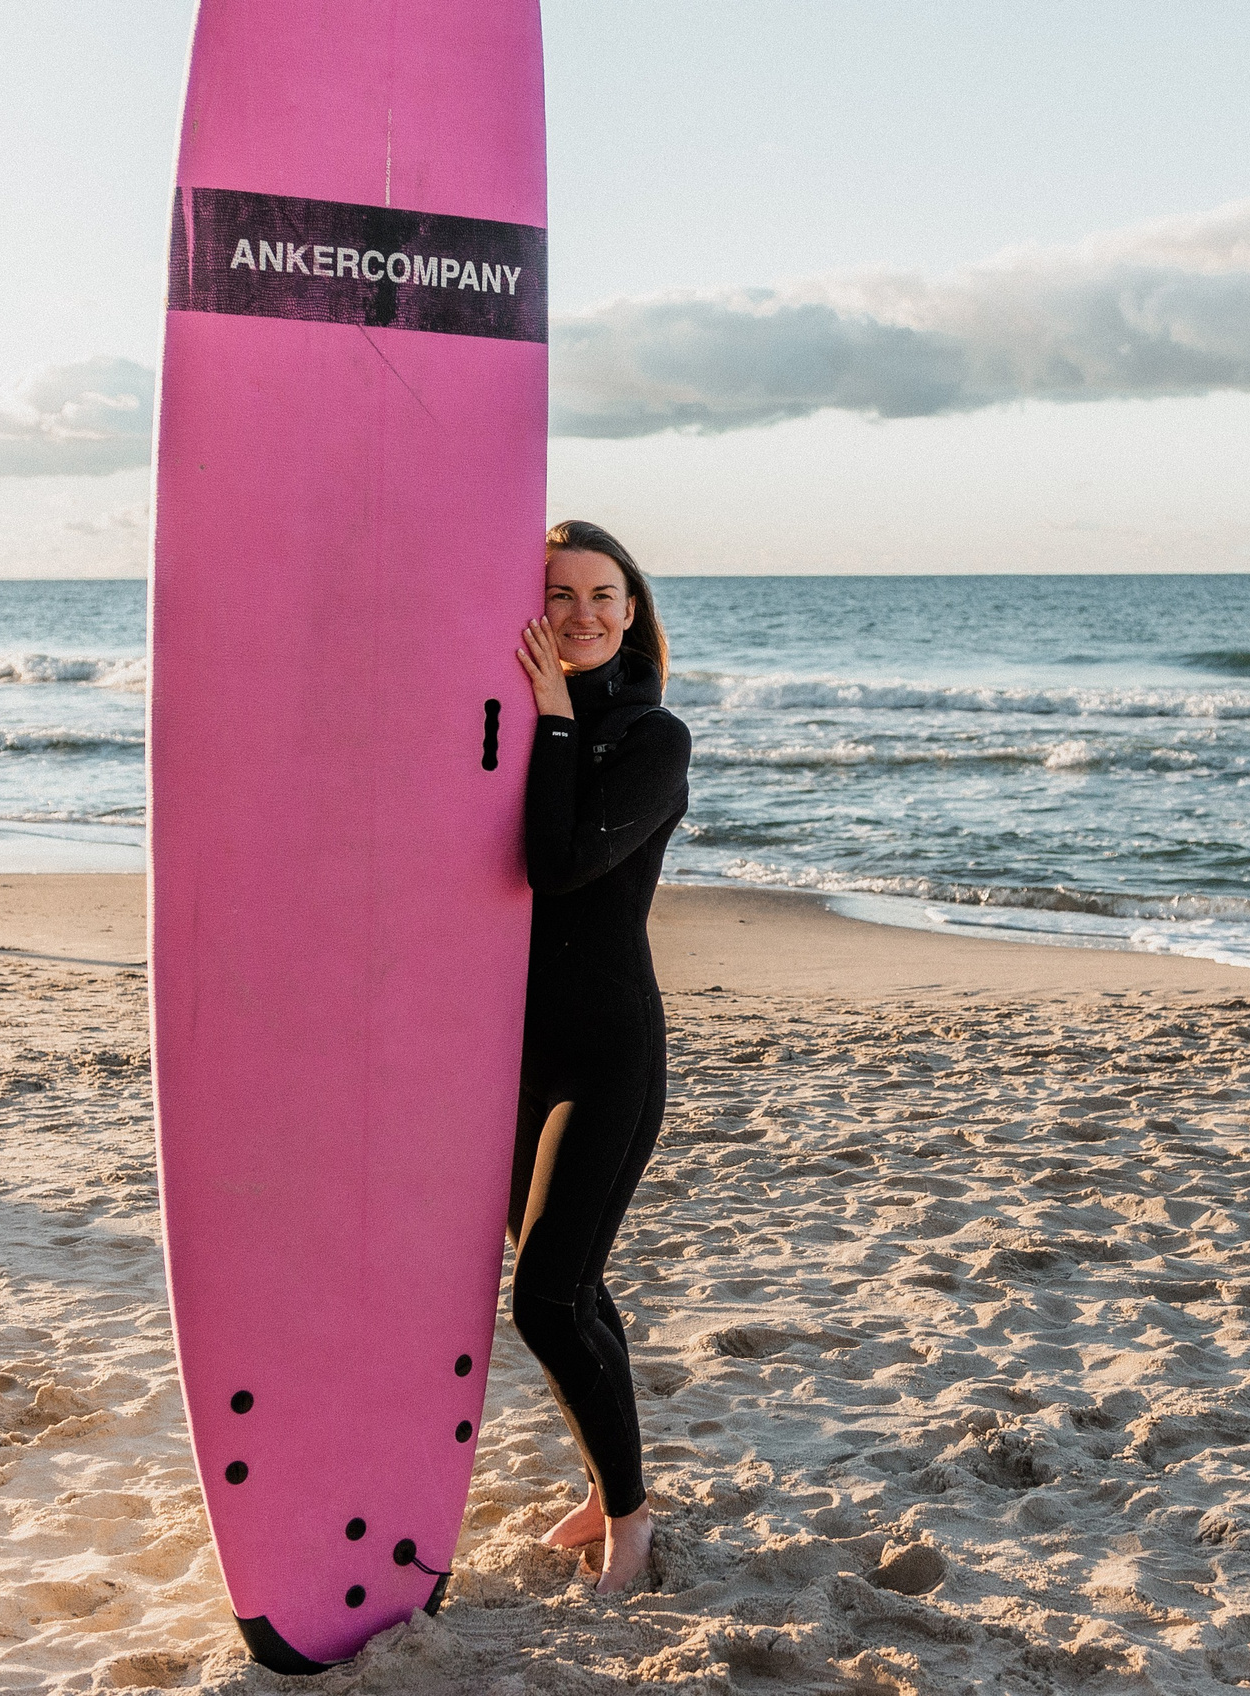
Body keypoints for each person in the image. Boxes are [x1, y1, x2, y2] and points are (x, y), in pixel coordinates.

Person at [508, 518, 690, 1596]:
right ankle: (603, 1482)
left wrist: (553, 716)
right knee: (574, 1288)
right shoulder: (506, 717)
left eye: (601, 595)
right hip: (511, 1052)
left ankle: (630, 1519)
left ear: (631, 612)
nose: (580, 614)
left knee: (544, 1299)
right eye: (558, 593)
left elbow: (560, 862)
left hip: (607, 1051)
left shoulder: (651, 736)